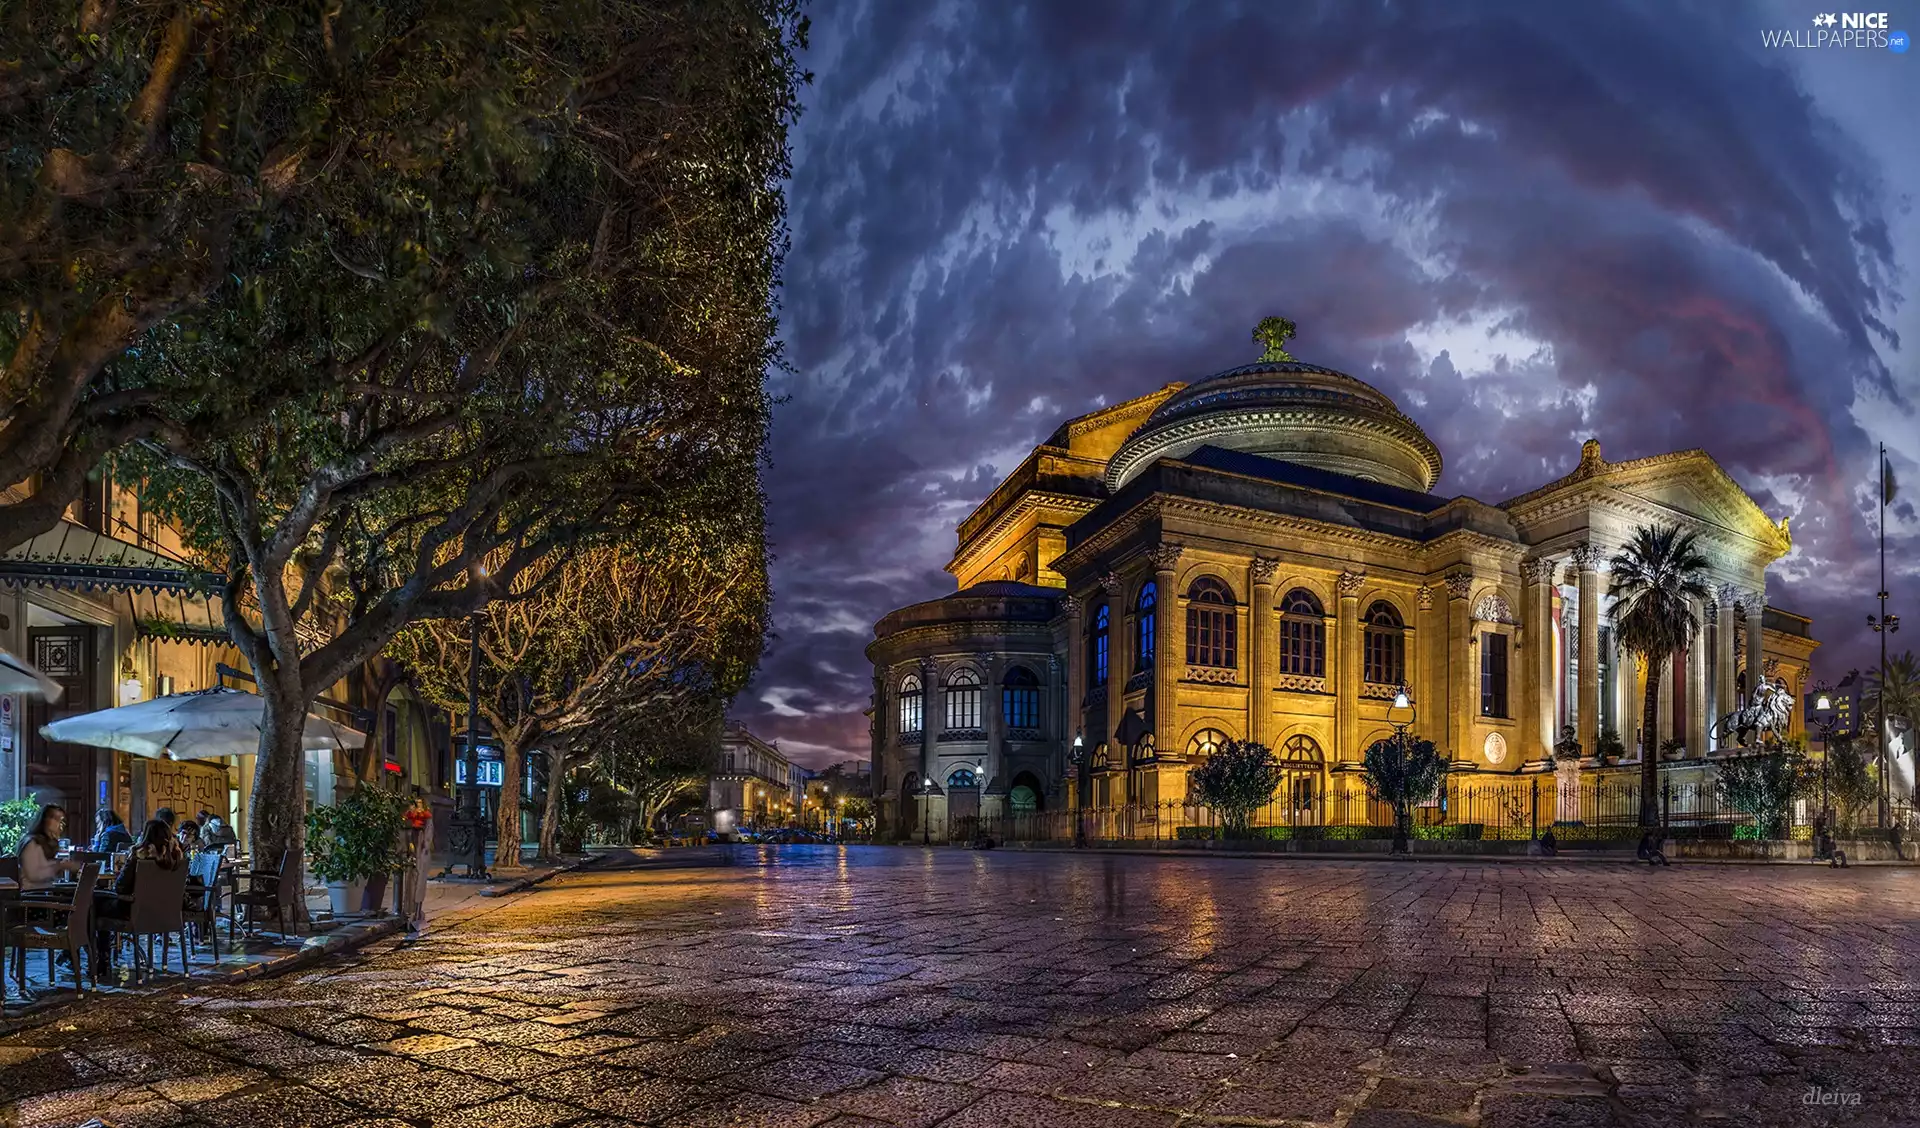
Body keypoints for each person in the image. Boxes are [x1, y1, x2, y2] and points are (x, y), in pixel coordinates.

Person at [97, 820, 188, 970]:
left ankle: (100, 959)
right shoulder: (178, 858)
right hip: (167, 914)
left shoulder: (138, 856)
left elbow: (120, 887)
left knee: (95, 901)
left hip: (136, 912)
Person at [15, 804, 81, 890]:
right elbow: (33, 875)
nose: (60, 824)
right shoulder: (32, 842)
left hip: (46, 891)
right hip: (32, 895)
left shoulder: (48, 842)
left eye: (62, 820)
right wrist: (59, 866)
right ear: (45, 820)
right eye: (56, 819)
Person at [401, 794, 434, 932]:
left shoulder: (426, 821)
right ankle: (408, 911)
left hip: (420, 853)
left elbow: (428, 836)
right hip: (411, 854)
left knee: (418, 882)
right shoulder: (408, 823)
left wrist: (425, 846)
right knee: (409, 883)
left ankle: (416, 910)